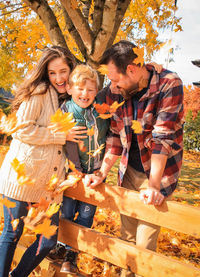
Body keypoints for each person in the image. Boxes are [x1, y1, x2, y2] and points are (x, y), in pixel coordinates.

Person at [84, 40, 184, 276]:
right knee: (126, 238)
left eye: (115, 78)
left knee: (144, 245)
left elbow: (162, 139)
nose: (112, 85)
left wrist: (153, 186)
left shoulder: (169, 84)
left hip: (158, 176)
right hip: (129, 171)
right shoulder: (116, 91)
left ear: (131, 69)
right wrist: (102, 172)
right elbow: (115, 138)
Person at [0, 46, 79, 277]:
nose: (59, 78)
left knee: (47, 241)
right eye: (53, 73)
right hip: (21, 178)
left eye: (63, 71)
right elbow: (21, 129)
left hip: (48, 186)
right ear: (46, 73)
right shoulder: (41, 90)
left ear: (71, 69)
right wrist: (58, 136)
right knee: (12, 234)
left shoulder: (70, 98)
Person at [54, 64, 110, 274]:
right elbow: (66, 144)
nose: (84, 94)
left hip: (94, 174)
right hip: (71, 174)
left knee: (86, 215)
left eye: (90, 89)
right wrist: (76, 170)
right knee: (67, 211)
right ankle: (61, 247)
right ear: (69, 88)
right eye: (80, 88)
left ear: (96, 91)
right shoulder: (65, 110)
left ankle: (72, 254)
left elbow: (108, 136)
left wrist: (100, 169)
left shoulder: (100, 112)